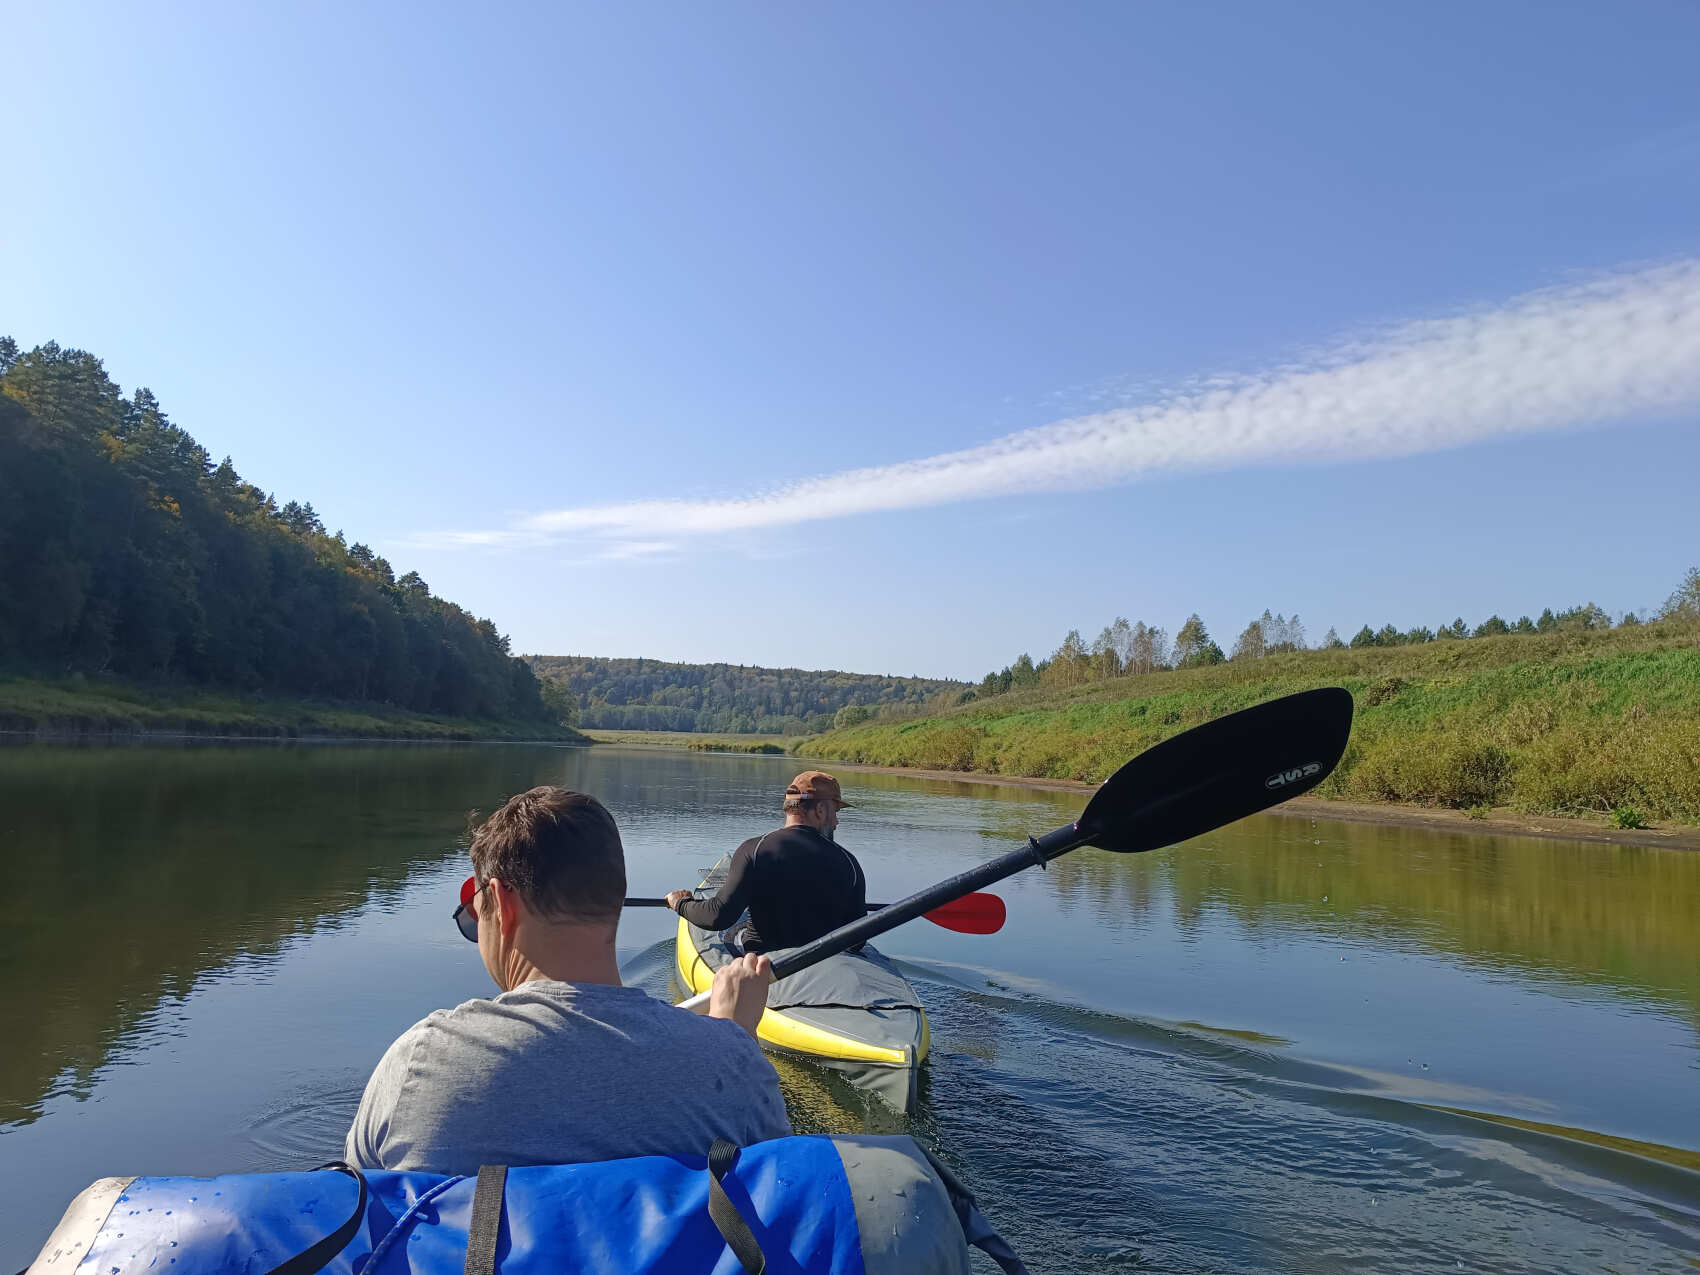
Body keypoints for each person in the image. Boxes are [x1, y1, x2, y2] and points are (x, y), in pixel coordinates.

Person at [344, 787, 791, 1175]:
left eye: (475, 912)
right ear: (615, 899)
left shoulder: (420, 1061)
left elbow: (352, 1211)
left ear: (502, 902)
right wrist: (734, 1038)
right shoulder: (733, 1062)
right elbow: (778, 1194)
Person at [666, 770, 866, 953]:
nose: (836, 822)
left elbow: (716, 916)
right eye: (835, 812)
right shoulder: (848, 862)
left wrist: (681, 903)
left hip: (764, 966)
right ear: (820, 809)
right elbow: (857, 939)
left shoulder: (755, 850)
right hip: (825, 969)